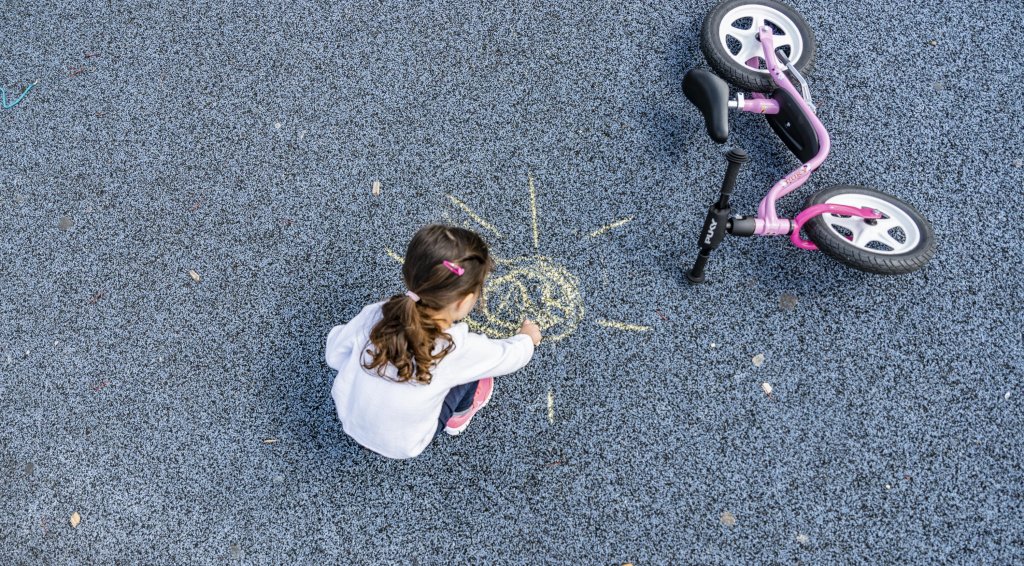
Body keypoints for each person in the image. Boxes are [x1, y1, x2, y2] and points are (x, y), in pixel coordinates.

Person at [325, 224, 542, 459]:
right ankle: (459, 416)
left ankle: (371, 433)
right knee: (474, 372)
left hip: (350, 418)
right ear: (463, 302)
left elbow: (334, 354)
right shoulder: (457, 349)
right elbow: (508, 357)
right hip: (404, 444)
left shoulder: (377, 314)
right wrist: (527, 338)